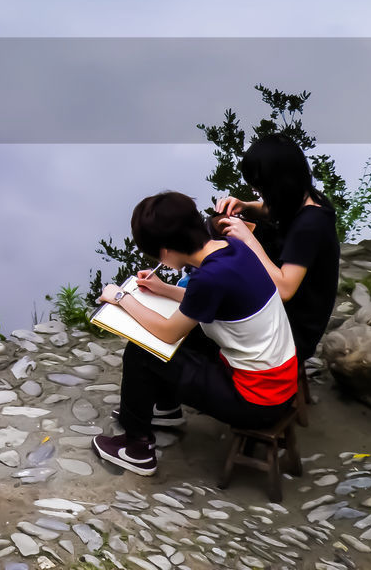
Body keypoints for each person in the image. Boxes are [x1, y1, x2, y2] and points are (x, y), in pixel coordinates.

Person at [92, 191, 298, 476]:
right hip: (278, 383)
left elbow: (167, 332)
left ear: (164, 252)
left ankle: (136, 448)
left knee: (142, 351)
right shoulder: (233, 249)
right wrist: (163, 289)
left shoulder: (209, 279)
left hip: (257, 402)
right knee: (189, 334)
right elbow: (206, 299)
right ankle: (165, 409)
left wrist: (121, 298)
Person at [215, 133, 341, 363]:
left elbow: (284, 290)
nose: (259, 194)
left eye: (261, 189)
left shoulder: (309, 225)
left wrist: (248, 241)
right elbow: (274, 209)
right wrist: (245, 206)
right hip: (295, 309)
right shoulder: (308, 198)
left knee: (208, 320)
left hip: (294, 330)